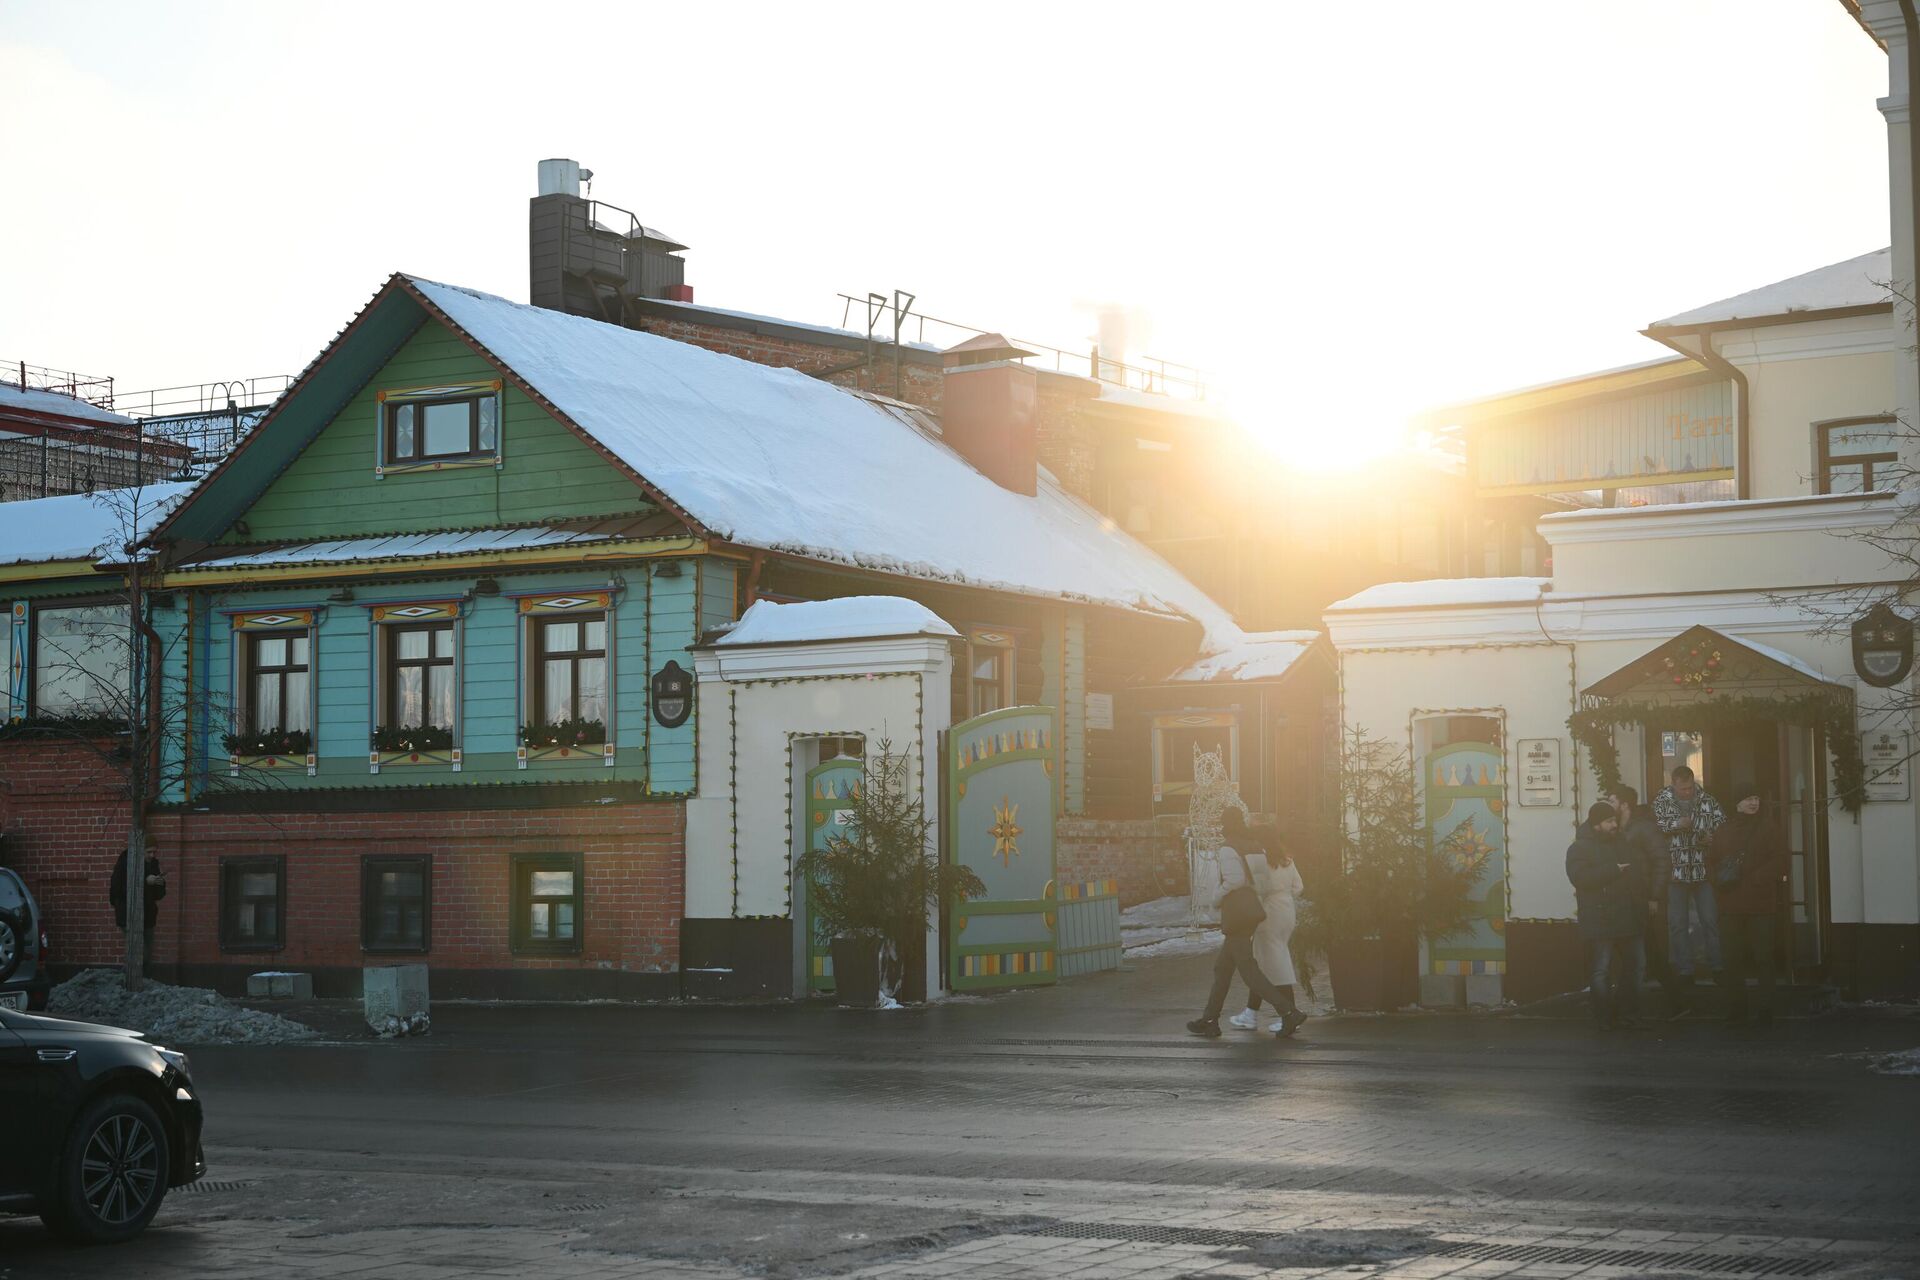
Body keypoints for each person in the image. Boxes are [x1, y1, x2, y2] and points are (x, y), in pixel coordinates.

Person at [1187, 811, 1296, 1039]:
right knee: (1222, 969)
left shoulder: (1229, 847)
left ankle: (1288, 1012)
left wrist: (1215, 898)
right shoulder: (1255, 846)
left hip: (1236, 912)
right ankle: (1210, 1019)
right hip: (1252, 910)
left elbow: (1234, 880)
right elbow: (1263, 881)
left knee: (1248, 969)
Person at [1708, 784, 1788, 1027]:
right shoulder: (1723, 830)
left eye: (1756, 797)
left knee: (1763, 957)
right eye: (1748, 798)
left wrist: (1757, 878)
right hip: (1730, 904)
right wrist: (1717, 882)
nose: (1754, 802)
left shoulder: (1769, 828)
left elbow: (1782, 860)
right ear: (1737, 803)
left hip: (1760, 903)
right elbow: (1710, 861)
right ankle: (1737, 1007)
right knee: (1732, 958)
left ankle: (1765, 1009)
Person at [1222, 813, 1308, 1037]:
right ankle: (1250, 1013)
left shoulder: (1261, 862)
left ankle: (1289, 1014)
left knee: (1275, 962)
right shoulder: (1287, 859)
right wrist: (1284, 893)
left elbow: (1259, 889)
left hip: (1268, 912)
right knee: (1264, 961)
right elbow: (1299, 887)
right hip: (1287, 910)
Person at [1566, 803, 1645, 1029]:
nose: (1614, 825)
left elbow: (1636, 874)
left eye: (1614, 820)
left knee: (1636, 966)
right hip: (1600, 919)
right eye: (1609, 821)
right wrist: (1613, 870)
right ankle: (1603, 1018)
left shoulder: (1622, 843)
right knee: (1601, 970)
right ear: (1596, 824)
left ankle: (1629, 1015)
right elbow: (1580, 878)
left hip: (1628, 916)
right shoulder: (1579, 848)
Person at [1652, 764, 1724, 1013]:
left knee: (1710, 919)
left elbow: (1722, 828)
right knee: (1677, 924)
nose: (1686, 792)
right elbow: (1654, 829)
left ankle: (1718, 968)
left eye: (1690, 788)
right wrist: (1675, 824)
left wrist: (1710, 838)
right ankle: (1685, 970)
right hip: (1675, 873)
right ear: (1673, 784)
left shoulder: (1708, 801)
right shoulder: (1661, 801)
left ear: (1694, 783)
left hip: (1702, 871)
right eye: (1682, 789)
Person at [1612, 784, 1674, 1007]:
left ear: (1624, 805)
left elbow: (1661, 861)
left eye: (1612, 802)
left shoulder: (1644, 828)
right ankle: (1677, 1000)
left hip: (1643, 899)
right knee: (1646, 949)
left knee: (1647, 949)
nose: (1610, 806)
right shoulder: (1617, 829)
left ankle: (1629, 1004)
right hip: (1626, 900)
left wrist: (1654, 896)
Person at [109, 845, 167, 969]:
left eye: (154, 852)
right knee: (138, 952)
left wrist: (159, 883)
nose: (152, 855)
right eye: (149, 852)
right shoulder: (125, 863)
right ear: (141, 851)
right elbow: (118, 889)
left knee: (147, 953)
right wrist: (145, 882)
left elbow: (158, 895)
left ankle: (142, 982)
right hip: (128, 914)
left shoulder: (153, 864)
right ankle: (128, 981)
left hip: (148, 916)